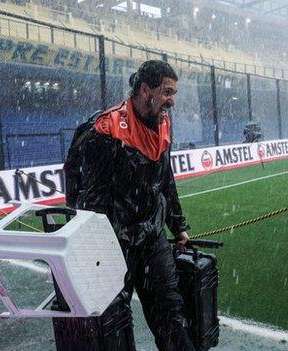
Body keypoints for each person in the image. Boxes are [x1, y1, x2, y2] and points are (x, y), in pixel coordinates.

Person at [64, 60, 195, 351]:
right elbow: (84, 194)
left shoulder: (163, 124)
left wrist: (178, 225)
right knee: (114, 327)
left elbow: (165, 179)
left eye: (174, 92)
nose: (172, 101)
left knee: (172, 315)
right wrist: (89, 241)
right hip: (112, 243)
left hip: (152, 236)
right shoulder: (106, 130)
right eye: (167, 92)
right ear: (145, 89)